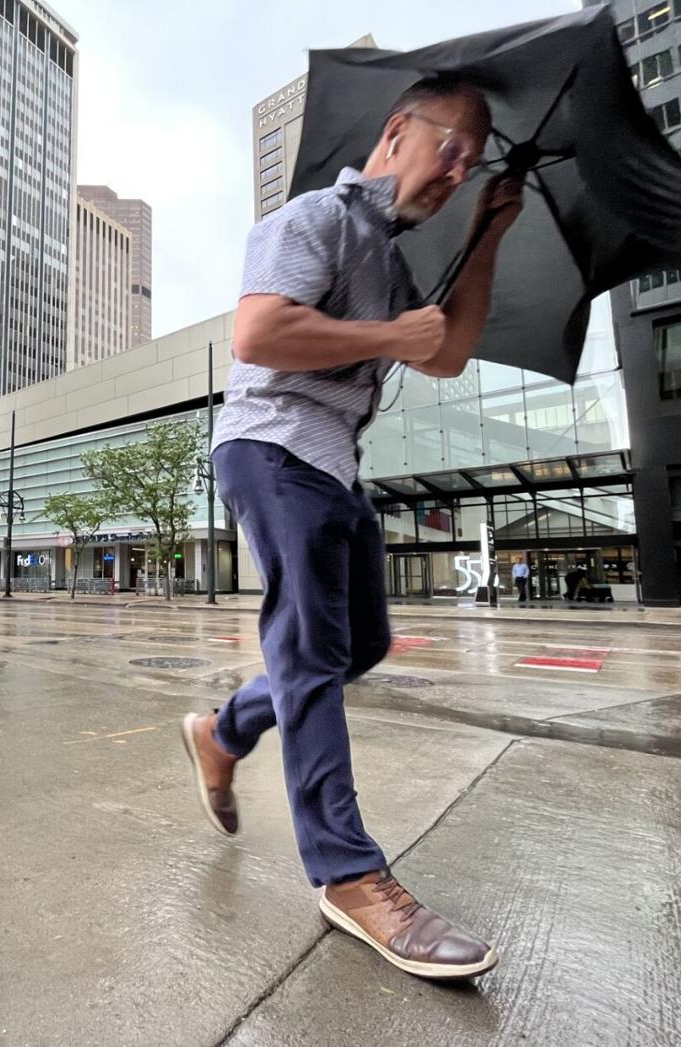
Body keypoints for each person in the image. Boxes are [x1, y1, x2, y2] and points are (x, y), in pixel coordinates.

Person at [179, 75, 522, 981]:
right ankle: (348, 874)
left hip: (335, 467)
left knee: (355, 643)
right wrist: (384, 337)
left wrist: (487, 232)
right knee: (312, 652)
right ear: (398, 130)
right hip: (271, 445)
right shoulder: (313, 219)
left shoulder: (395, 262)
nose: (455, 172)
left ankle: (222, 731)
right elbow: (258, 333)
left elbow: (443, 351)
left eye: (470, 164)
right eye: (451, 150)